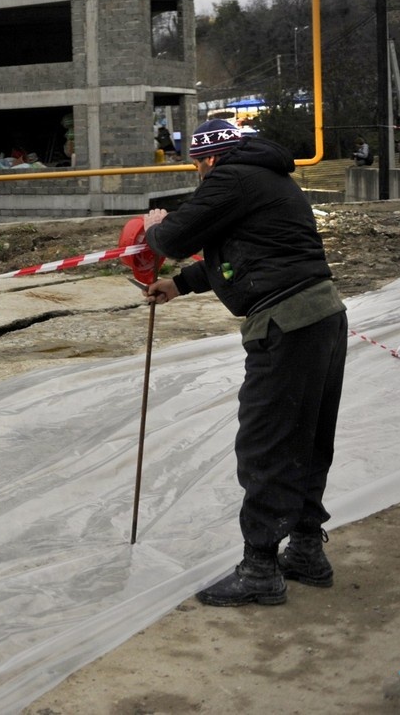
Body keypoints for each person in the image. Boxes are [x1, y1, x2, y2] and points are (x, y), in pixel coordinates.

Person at [138, 120, 347, 608]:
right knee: (307, 438)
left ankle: (259, 568)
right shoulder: (264, 178)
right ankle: (307, 551)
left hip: (287, 324)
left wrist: (152, 228)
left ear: (210, 158)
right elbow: (247, 251)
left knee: (266, 443)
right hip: (320, 317)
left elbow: (171, 237)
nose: (196, 174)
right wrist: (181, 283)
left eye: (196, 164)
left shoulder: (230, 177)